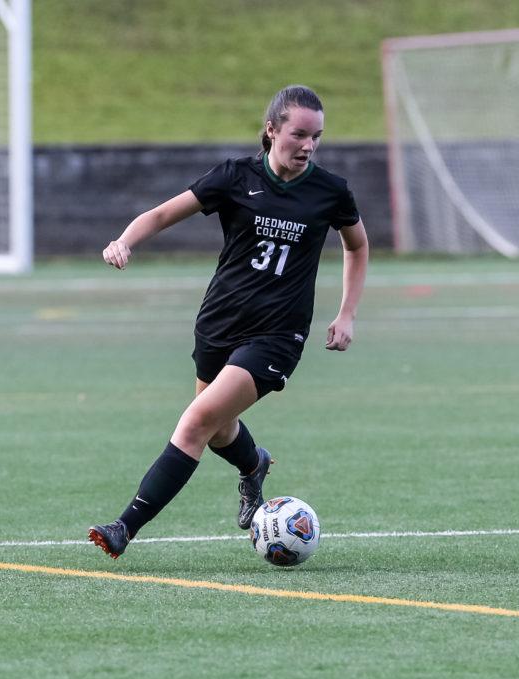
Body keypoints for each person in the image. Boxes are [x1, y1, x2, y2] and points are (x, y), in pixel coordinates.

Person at [89, 84, 369, 559]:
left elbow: (357, 245)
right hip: (218, 323)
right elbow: (161, 213)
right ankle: (253, 463)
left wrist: (347, 313)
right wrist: (125, 240)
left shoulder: (330, 191)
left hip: (278, 335)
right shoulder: (235, 177)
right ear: (271, 129)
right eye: (299, 134)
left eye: (316, 137)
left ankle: (124, 527)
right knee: (219, 428)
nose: (308, 146)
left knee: (197, 421)